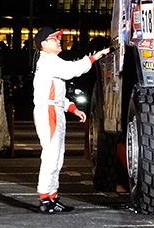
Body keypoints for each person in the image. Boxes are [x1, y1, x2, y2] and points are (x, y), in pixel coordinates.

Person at [32, 26, 110, 214]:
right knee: (52, 156)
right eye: (54, 38)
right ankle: (45, 199)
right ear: (44, 44)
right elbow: (71, 70)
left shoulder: (52, 61)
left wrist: (72, 108)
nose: (59, 41)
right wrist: (94, 57)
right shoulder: (49, 61)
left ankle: (51, 197)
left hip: (54, 109)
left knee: (57, 156)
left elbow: (57, 93)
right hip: (49, 111)